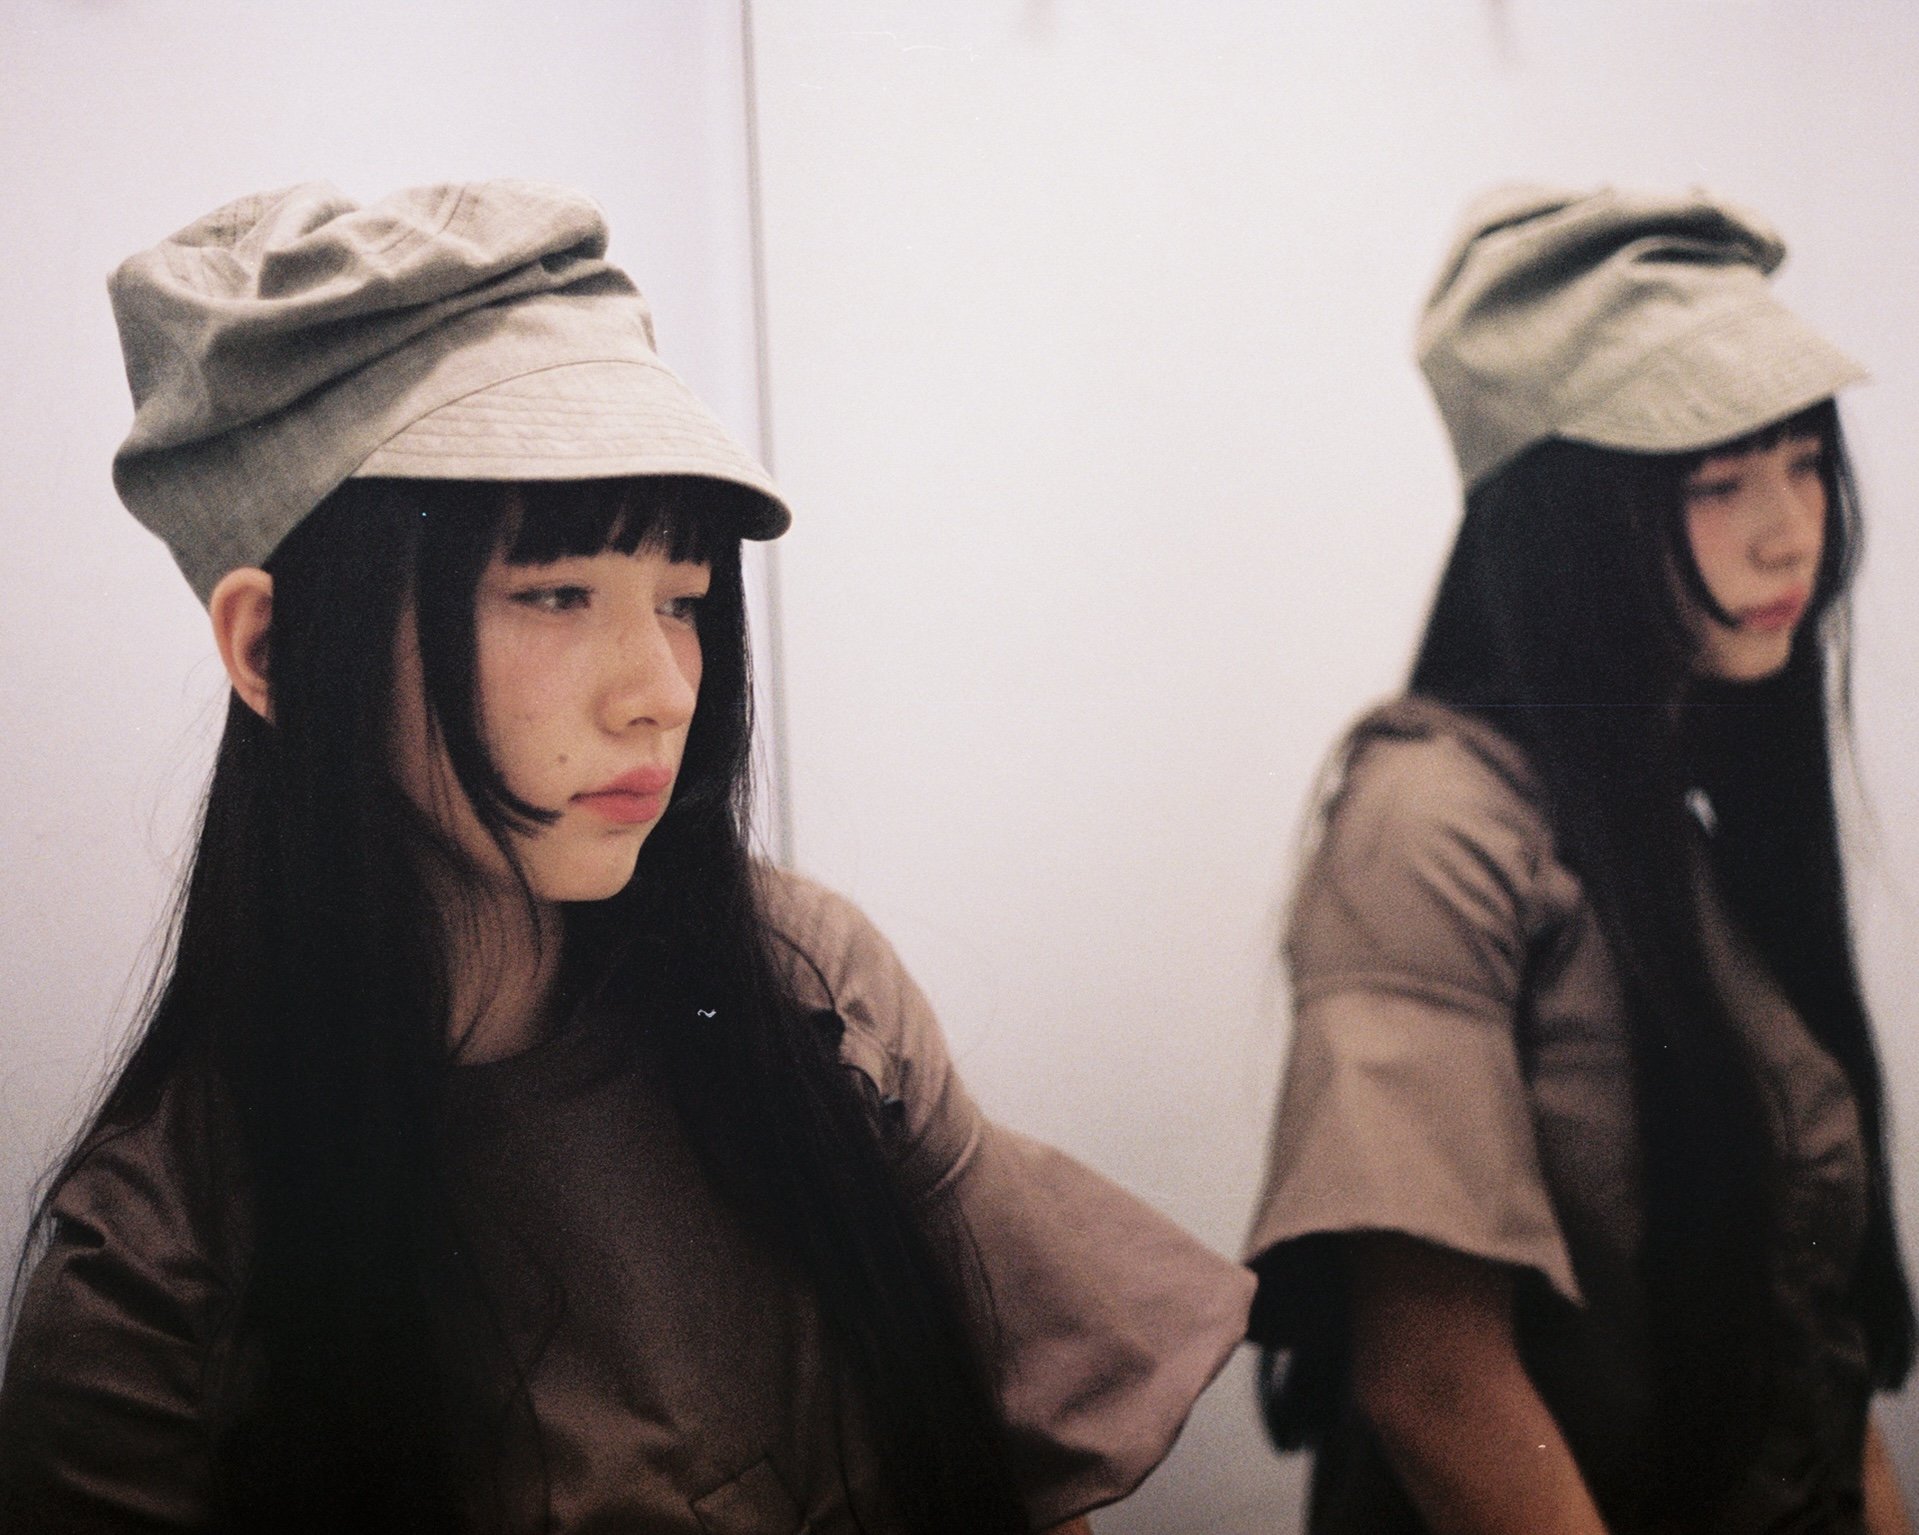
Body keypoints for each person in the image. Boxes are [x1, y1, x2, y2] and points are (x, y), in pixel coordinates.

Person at [0, 180, 1253, 1535]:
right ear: (270, 651)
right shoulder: (158, 1268)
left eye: (685, 601)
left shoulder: (809, 990)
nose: (660, 688)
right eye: (554, 595)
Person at [1244, 185, 1915, 1534]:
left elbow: (1818, 1372)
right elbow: (1434, 1384)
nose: (1791, 530)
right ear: (1563, 523)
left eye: (1800, 461)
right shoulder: (1429, 825)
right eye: (1719, 482)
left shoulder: (1681, 820)